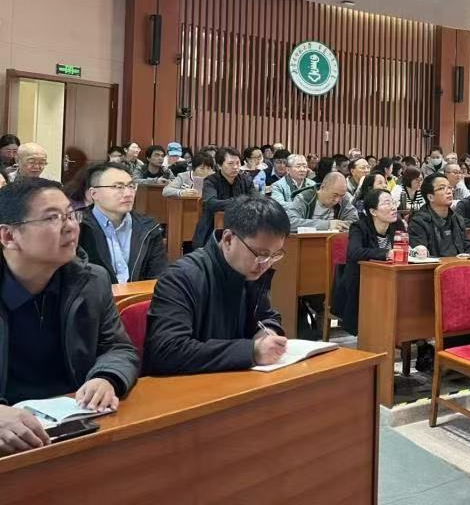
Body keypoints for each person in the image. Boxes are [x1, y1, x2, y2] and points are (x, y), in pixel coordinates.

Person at [0, 178, 139, 454]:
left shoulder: (91, 280)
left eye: (71, 214)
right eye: (52, 218)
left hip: (71, 422)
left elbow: (118, 348)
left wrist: (106, 377)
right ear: (8, 237)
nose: (71, 226)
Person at [144, 196, 290, 375]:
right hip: (188, 384)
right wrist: (251, 351)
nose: (266, 264)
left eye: (274, 256)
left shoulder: (252, 271)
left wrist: (267, 332)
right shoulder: (181, 277)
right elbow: (167, 350)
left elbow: (266, 316)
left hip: (238, 378)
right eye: (261, 254)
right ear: (228, 239)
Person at [77, 161, 169, 283]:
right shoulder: (78, 227)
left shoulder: (148, 228)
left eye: (131, 186)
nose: (128, 194)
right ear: (94, 194)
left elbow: (159, 276)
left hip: (139, 294)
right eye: (118, 187)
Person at [334, 189, 410, 335]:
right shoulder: (359, 227)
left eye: (393, 202)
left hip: (389, 279)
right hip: (360, 282)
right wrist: (386, 253)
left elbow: (404, 248)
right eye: (387, 203)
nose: (393, 207)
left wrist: (416, 250)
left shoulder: (397, 224)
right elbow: (354, 253)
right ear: (373, 211)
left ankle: (407, 334)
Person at [192, 147, 259, 248]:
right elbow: (211, 203)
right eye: (230, 163)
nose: (235, 167)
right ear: (219, 165)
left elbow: (258, 200)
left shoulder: (246, 180)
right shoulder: (210, 181)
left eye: (238, 163)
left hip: (242, 226)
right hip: (212, 228)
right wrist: (240, 201)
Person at [408, 173, 470, 256]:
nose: (449, 191)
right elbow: (420, 256)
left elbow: (469, 248)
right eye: (442, 188)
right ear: (430, 197)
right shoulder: (419, 222)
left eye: (449, 187)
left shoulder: (457, 219)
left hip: (460, 263)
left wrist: (467, 256)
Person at [286, 172, 357, 232]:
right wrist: (328, 224)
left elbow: (355, 221)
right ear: (322, 187)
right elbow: (290, 222)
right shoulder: (304, 198)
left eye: (341, 196)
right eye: (335, 195)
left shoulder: (343, 199)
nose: (337, 200)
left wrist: (343, 225)